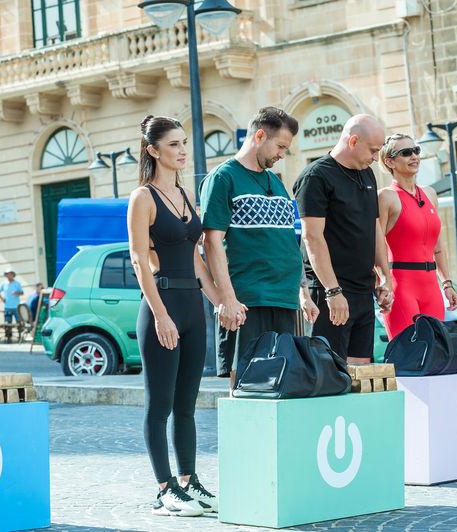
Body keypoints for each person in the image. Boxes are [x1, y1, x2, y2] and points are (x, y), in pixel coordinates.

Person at [128, 115, 223, 517]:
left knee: (187, 404)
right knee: (160, 404)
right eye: (173, 144)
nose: (183, 151)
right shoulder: (143, 197)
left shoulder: (184, 195)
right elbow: (138, 259)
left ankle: (189, 480)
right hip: (162, 305)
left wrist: (218, 301)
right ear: (153, 150)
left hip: (192, 308)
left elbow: (197, 259)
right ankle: (164, 488)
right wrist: (160, 315)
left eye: (184, 143)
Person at [201, 107, 318, 386]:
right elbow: (212, 241)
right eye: (280, 146)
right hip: (247, 301)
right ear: (260, 136)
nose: (282, 155)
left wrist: (303, 293)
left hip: (285, 300)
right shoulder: (223, 178)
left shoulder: (276, 183)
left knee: (282, 385)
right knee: (246, 385)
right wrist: (227, 299)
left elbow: (289, 240)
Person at [294, 114, 393, 364]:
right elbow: (312, 237)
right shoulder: (316, 176)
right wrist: (332, 290)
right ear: (353, 140)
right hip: (330, 290)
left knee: (361, 369)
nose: (376, 158)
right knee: (329, 370)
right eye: (373, 150)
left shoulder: (367, 174)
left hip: (363, 289)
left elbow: (374, 228)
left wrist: (385, 277)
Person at [376, 133, 457, 339]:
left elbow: (438, 247)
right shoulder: (385, 197)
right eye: (406, 153)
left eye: (416, 150)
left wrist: (447, 283)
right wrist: (383, 282)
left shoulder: (430, 194)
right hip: (401, 285)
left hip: (431, 286)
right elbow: (375, 245)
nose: (414, 156)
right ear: (390, 161)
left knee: (436, 350)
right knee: (408, 351)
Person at [0, 270, 23, 341]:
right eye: (7, 274)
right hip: (7, 306)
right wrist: (2, 299)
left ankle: (20, 337)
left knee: (18, 322)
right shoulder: (4, 283)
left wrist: (17, 293)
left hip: (16, 306)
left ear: (13, 275)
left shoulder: (17, 283)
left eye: (10, 274)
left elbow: (22, 292)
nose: (8, 276)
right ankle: (9, 338)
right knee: (8, 323)